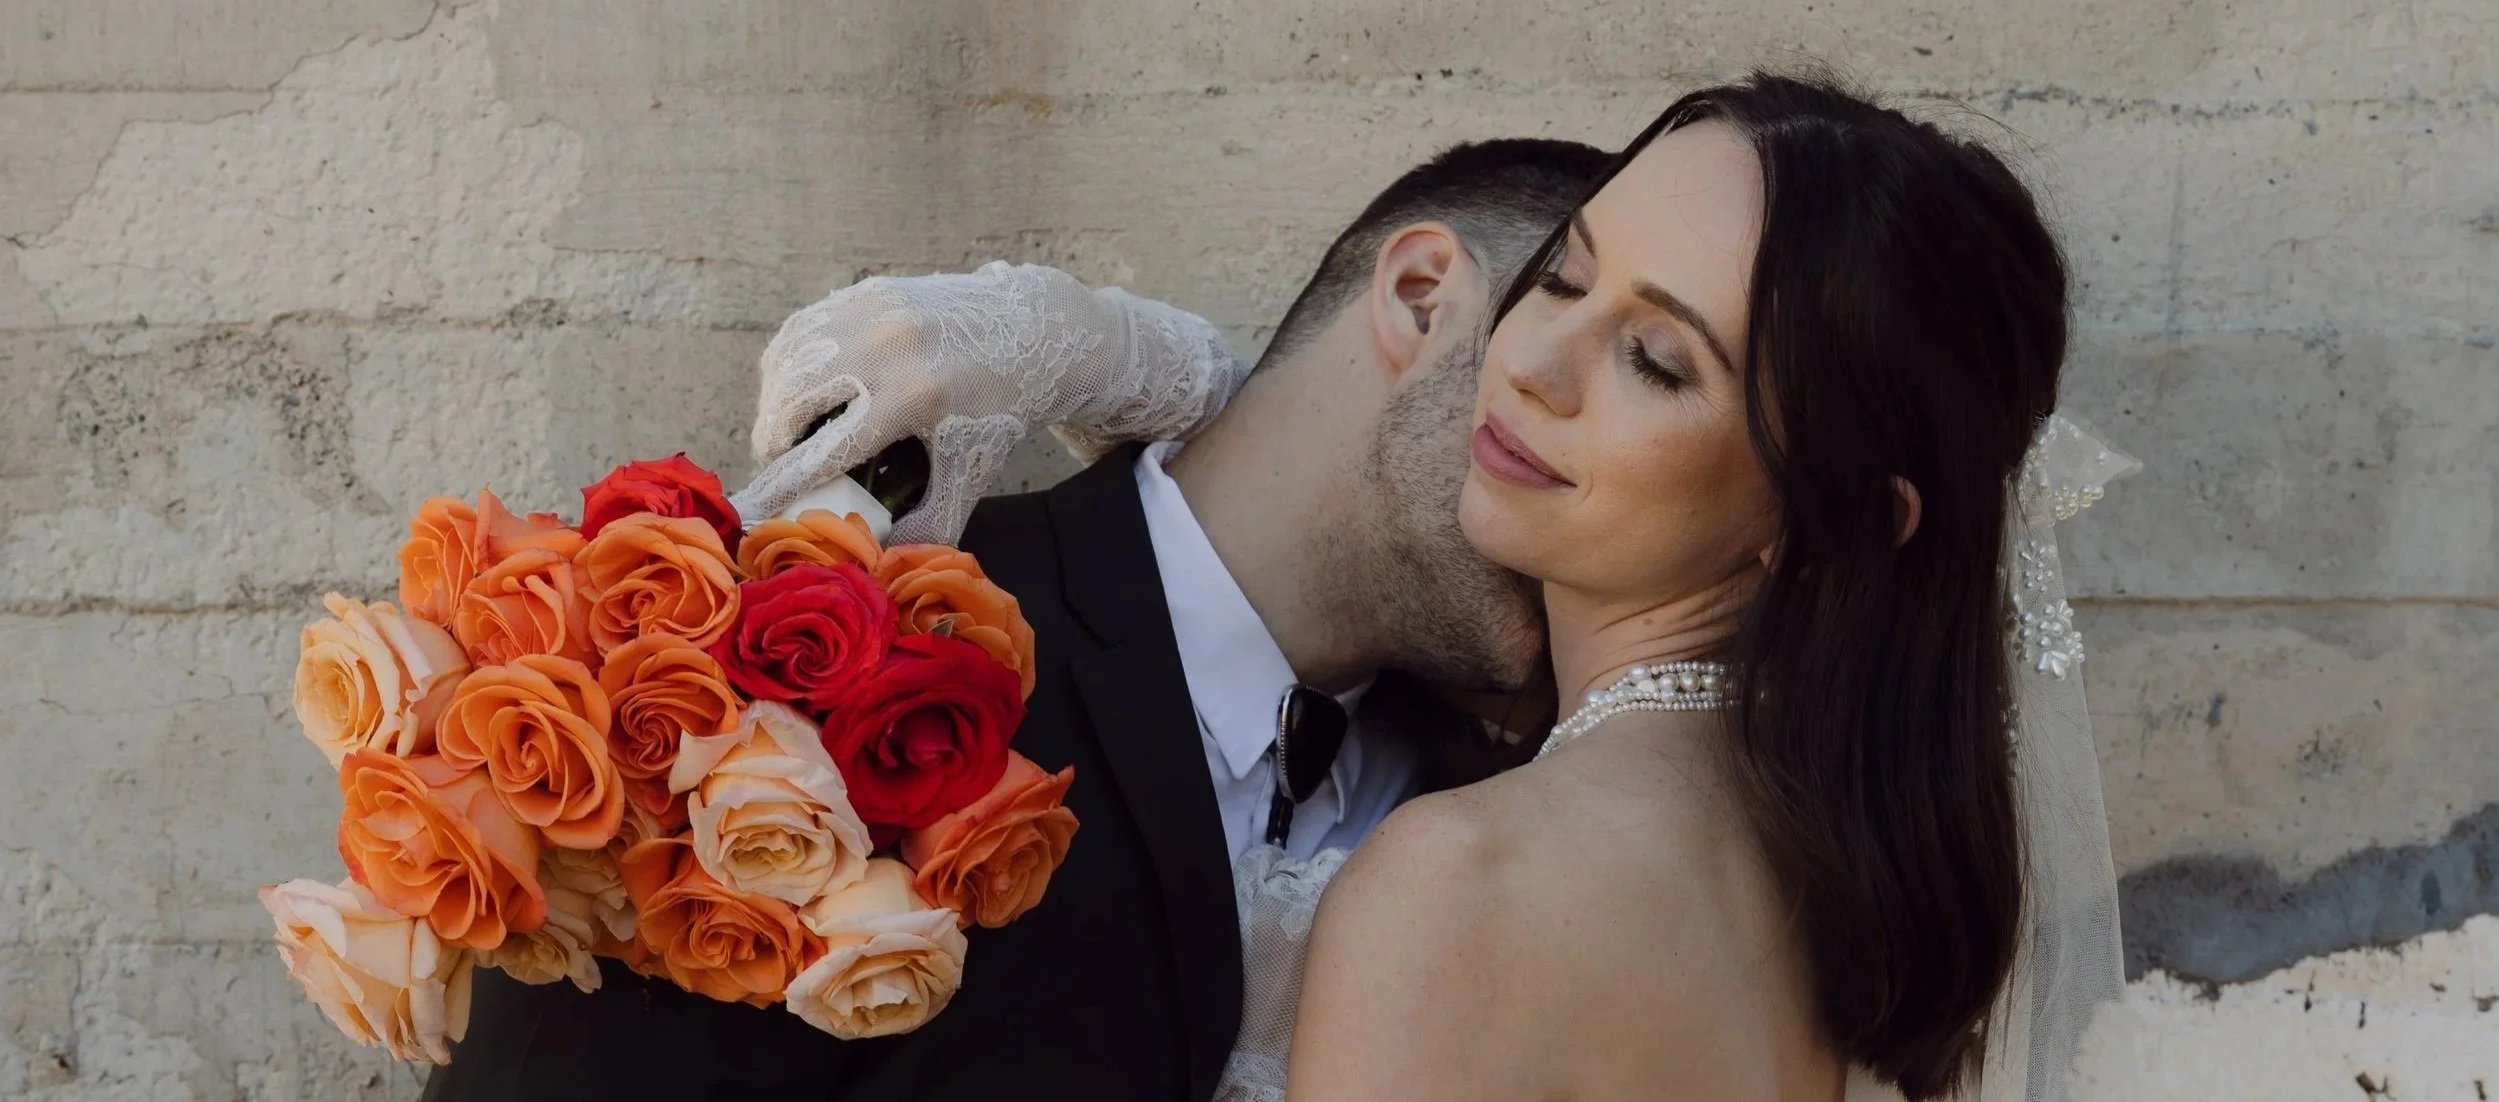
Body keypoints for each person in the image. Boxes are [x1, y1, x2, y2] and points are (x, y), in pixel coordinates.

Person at [758, 71, 2129, 1102]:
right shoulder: (1843, 891)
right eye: (1561, 276)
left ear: (1824, 514)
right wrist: (1137, 368)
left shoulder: (1459, 880)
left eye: (1657, 362)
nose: (1527, 362)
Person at [419, 137, 1611, 1102]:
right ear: (1419, 298)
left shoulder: (1510, 816)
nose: (1639, 499)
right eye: (1630, 372)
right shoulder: (824, 691)